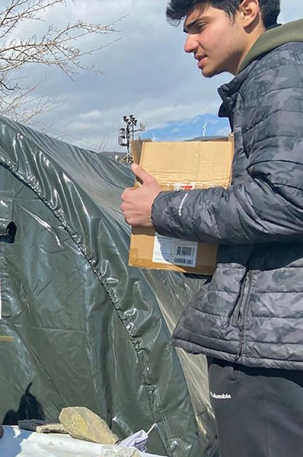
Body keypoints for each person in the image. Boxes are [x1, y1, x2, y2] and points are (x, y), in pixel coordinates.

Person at [121, 1, 303, 456]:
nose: (189, 44)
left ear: (247, 10)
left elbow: (285, 200)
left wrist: (160, 208)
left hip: (270, 348)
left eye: (200, 26)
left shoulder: (279, 72)